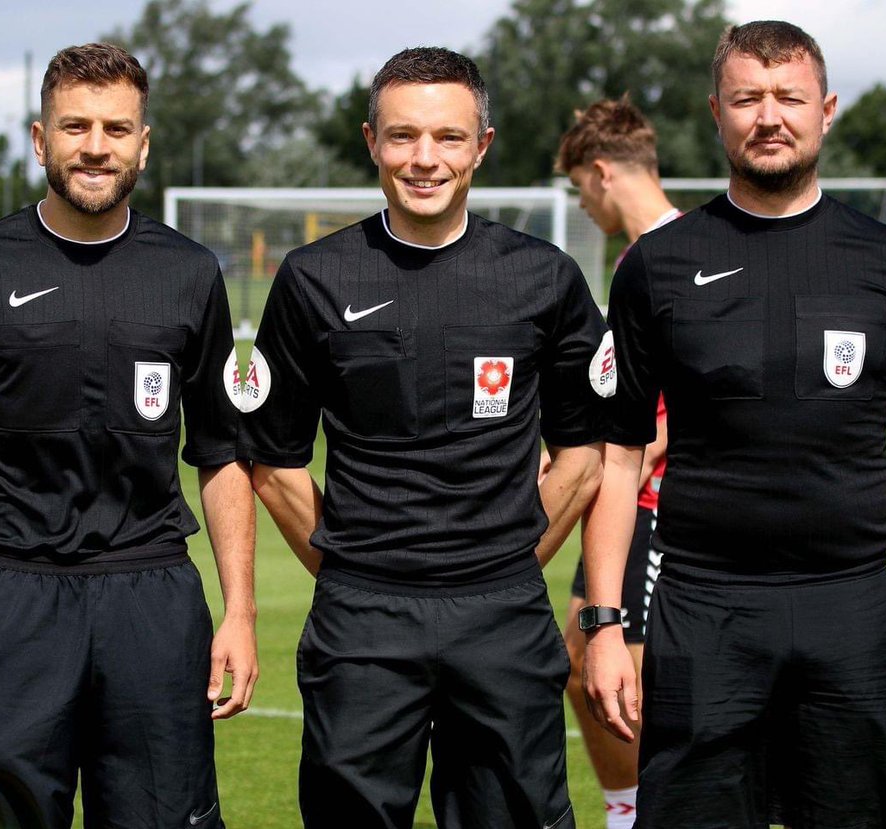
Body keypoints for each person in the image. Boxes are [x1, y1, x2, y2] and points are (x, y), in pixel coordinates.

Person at [583, 20, 886, 828]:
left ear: (826, 109)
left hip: (851, 607)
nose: (769, 115)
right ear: (717, 113)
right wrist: (602, 624)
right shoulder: (659, 266)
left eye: (788, 97)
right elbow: (619, 458)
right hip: (704, 606)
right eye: (747, 98)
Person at [0, 43, 255, 829]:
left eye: (117, 128)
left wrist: (242, 611)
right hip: (16, 599)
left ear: (144, 143)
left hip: (153, 597)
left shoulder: (190, 272)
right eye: (76, 126)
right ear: (40, 138)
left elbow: (222, 454)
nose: (96, 145)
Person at [243, 46, 610, 829]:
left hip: (502, 615)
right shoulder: (314, 279)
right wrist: (354, 569)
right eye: (404, 136)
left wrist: (504, 560)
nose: (424, 159)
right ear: (370, 140)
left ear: (482, 145)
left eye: (448, 137)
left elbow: (583, 459)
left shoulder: (544, 278)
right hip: (362, 620)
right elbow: (274, 465)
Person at [553, 96, 679, 829]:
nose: (582, 204)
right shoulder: (641, 255)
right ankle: (633, 807)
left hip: (664, 506)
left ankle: (639, 810)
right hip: (626, 505)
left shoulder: (675, 252)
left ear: (601, 173)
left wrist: (594, 467)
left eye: (579, 188)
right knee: (585, 661)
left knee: (603, 665)